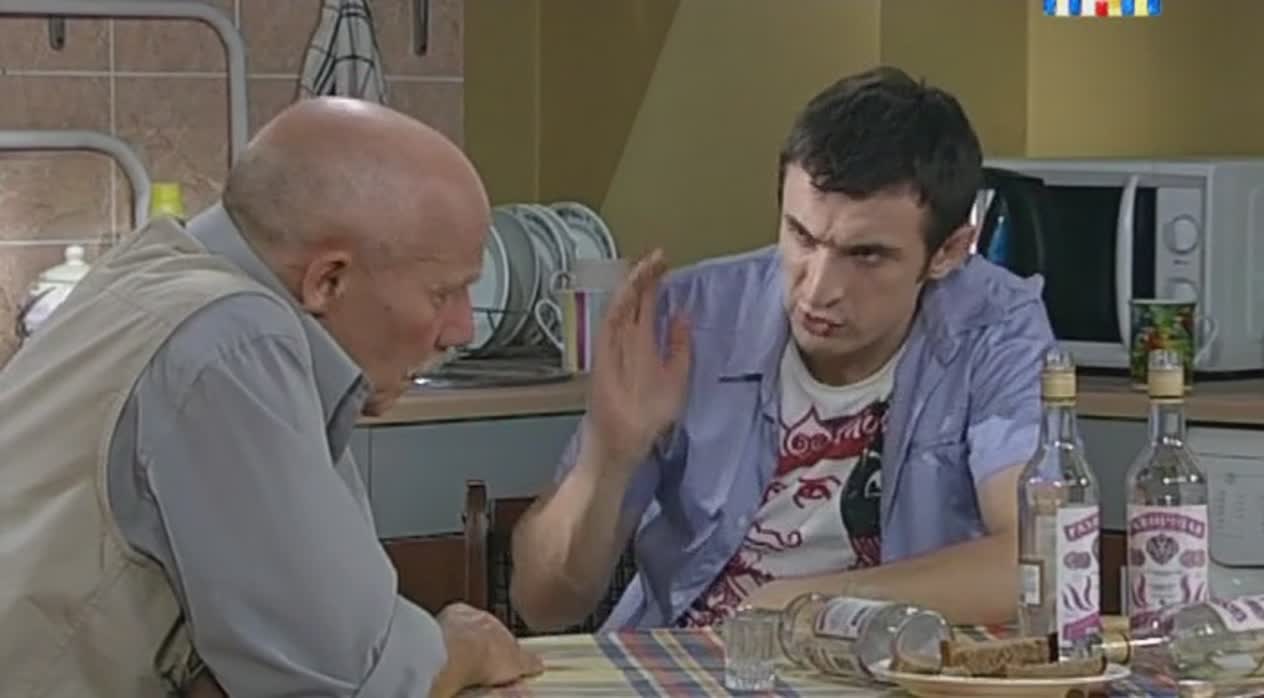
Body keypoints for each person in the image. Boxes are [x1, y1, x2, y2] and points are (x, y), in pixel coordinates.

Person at [0, 98, 541, 697]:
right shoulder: (232, 341)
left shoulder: (156, 272)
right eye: (443, 294)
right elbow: (348, 683)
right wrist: (459, 647)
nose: (462, 330)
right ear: (327, 280)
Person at [510, 66, 1055, 632]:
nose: (818, 290)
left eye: (865, 255)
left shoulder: (996, 329)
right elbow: (543, 605)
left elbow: (1038, 563)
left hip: (887, 661)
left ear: (949, 252)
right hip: (686, 656)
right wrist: (609, 454)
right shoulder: (690, 320)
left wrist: (817, 602)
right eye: (801, 236)